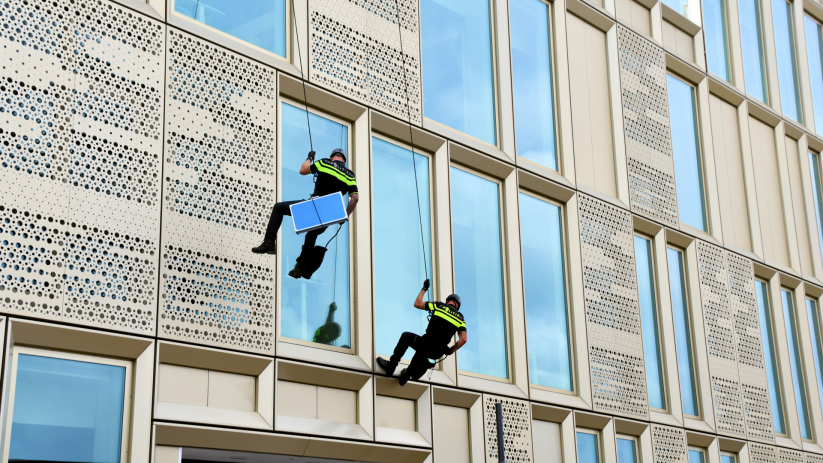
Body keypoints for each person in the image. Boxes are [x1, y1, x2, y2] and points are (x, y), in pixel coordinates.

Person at [252, 148, 359, 278]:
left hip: (314, 206)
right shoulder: (350, 175)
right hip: (329, 215)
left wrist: (309, 158)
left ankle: (269, 243)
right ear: (344, 160)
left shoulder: (325, 162)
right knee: (311, 235)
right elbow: (355, 198)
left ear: (332, 157)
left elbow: (303, 170)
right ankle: (300, 268)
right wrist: (345, 215)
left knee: (279, 208)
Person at [377, 279, 468, 385]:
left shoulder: (439, 306)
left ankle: (391, 366)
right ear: (457, 306)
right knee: (422, 351)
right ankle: (406, 375)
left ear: (448, 301)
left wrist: (424, 289)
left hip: (426, 343)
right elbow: (464, 339)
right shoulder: (461, 318)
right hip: (437, 352)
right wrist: (450, 351)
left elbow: (417, 303)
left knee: (407, 337)